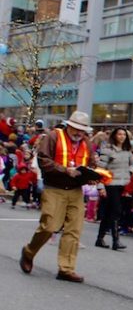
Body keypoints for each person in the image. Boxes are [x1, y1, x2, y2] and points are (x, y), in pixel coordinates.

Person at [18, 111, 99, 283]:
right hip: (54, 188)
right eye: (76, 128)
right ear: (68, 125)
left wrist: (92, 175)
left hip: (76, 190)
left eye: (82, 130)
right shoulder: (53, 136)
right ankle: (29, 252)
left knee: (74, 230)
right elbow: (43, 160)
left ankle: (66, 269)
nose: (79, 133)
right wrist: (65, 170)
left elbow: (91, 162)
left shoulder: (86, 142)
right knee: (49, 227)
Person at [95, 126, 133, 250]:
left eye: (124, 134)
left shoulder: (128, 150)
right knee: (117, 210)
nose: (122, 136)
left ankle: (100, 238)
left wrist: (130, 172)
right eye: (119, 134)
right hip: (110, 184)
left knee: (108, 212)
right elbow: (100, 169)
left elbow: (132, 164)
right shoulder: (108, 150)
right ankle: (116, 240)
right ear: (114, 136)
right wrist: (100, 186)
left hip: (122, 184)